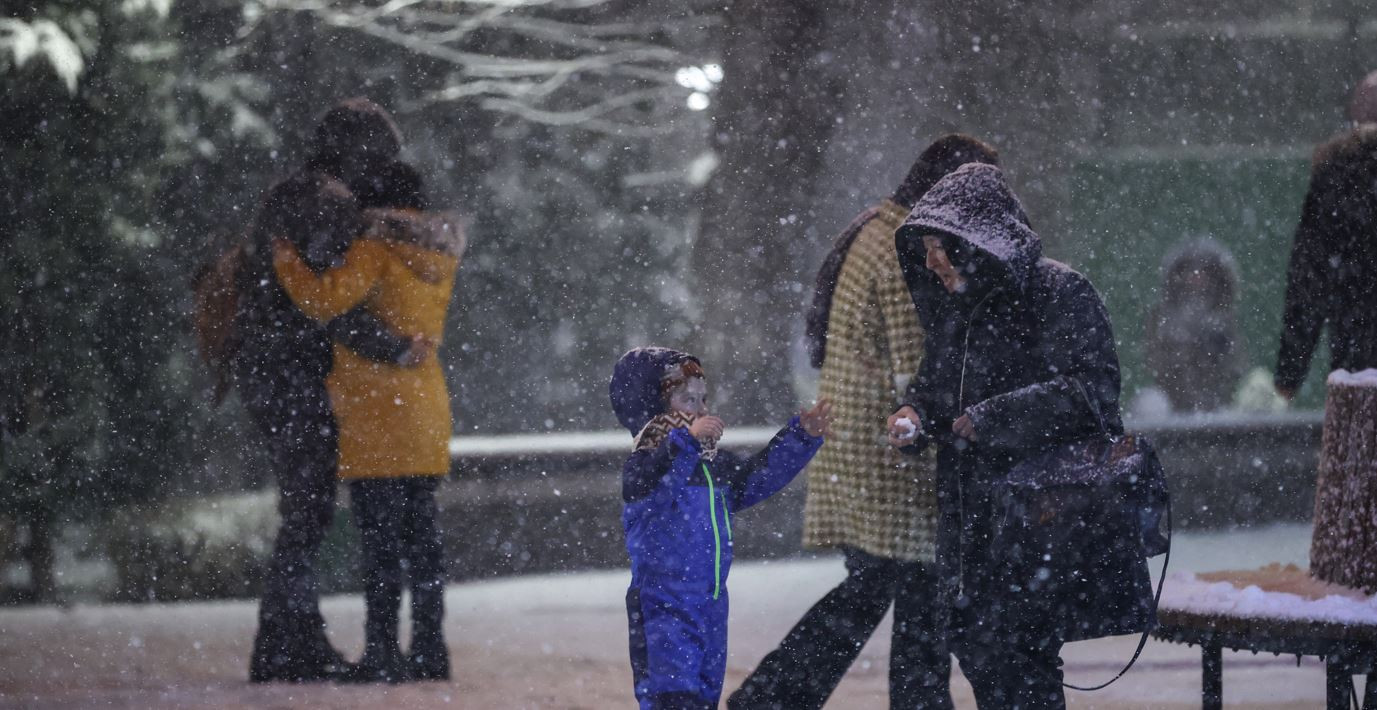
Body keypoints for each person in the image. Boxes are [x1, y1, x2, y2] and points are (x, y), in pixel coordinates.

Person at [731, 135, 999, 710]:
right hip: (891, 455)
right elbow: (915, 363)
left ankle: (776, 696)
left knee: (875, 586)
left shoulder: (877, 228)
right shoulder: (906, 248)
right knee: (918, 587)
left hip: (856, 445)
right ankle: (795, 697)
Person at [888, 163, 1124, 709]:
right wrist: (914, 412)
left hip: (1034, 526)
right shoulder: (956, 312)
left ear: (969, 243)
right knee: (982, 651)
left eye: (935, 246)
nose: (929, 262)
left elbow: (1093, 390)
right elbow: (936, 386)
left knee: (1022, 666)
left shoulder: (1057, 292)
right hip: (972, 531)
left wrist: (995, 417)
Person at [233, 99, 426, 683]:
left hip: (269, 368)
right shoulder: (326, 204)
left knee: (303, 509)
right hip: (293, 373)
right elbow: (326, 303)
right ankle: (286, 647)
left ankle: (288, 641)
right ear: (359, 153)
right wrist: (393, 346)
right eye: (380, 157)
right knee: (308, 512)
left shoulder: (289, 194)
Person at [271, 160, 465, 683]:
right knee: (423, 543)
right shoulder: (437, 255)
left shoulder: (375, 247)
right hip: (424, 409)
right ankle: (430, 648)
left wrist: (287, 259)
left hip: (378, 414)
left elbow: (324, 298)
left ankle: (382, 653)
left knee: (381, 546)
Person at [609, 347, 831, 710]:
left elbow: (755, 478)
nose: (700, 408)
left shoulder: (711, 466)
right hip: (663, 607)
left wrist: (801, 437)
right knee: (673, 698)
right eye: (686, 399)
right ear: (657, 408)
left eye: (703, 399)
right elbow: (658, 490)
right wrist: (685, 444)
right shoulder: (645, 466)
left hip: (710, 604)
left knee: (703, 697)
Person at [1275, 70, 1377, 400]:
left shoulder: (1336, 172)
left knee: (1359, 449)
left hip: (1357, 368)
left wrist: (1289, 375)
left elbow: (1307, 283)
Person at [1144, 238, 1245, 413]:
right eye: (1190, 270)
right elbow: (1156, 363)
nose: (1196, 277)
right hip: (1172, 406)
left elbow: (1234, 368)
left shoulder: (1224, 320)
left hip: (1218, 406)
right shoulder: (1163, 319)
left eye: (1204, 270)